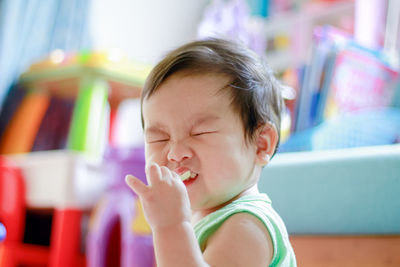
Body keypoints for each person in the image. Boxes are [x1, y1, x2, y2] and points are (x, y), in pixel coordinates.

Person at [126, 38, 296, 267]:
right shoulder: (203, 218)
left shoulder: (247, 225)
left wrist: (170, 226)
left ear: (261, 144)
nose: (175, 153)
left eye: (200, 133)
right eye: (160, 138)